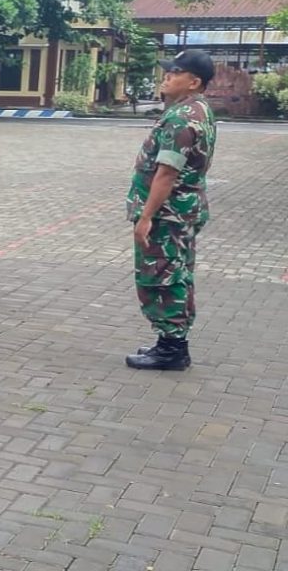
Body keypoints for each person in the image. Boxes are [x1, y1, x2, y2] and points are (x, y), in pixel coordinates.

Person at [125, 50, 217, 371]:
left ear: (194, 82)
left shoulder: (182, 118)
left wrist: (146, 216)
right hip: (183, 210)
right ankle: (171, 343)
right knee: (177, 273)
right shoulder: (199, 110)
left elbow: (166, 173)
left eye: (175, 72)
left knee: (161, 276)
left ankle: (171, 349)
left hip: (167, 214)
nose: (167, 76)